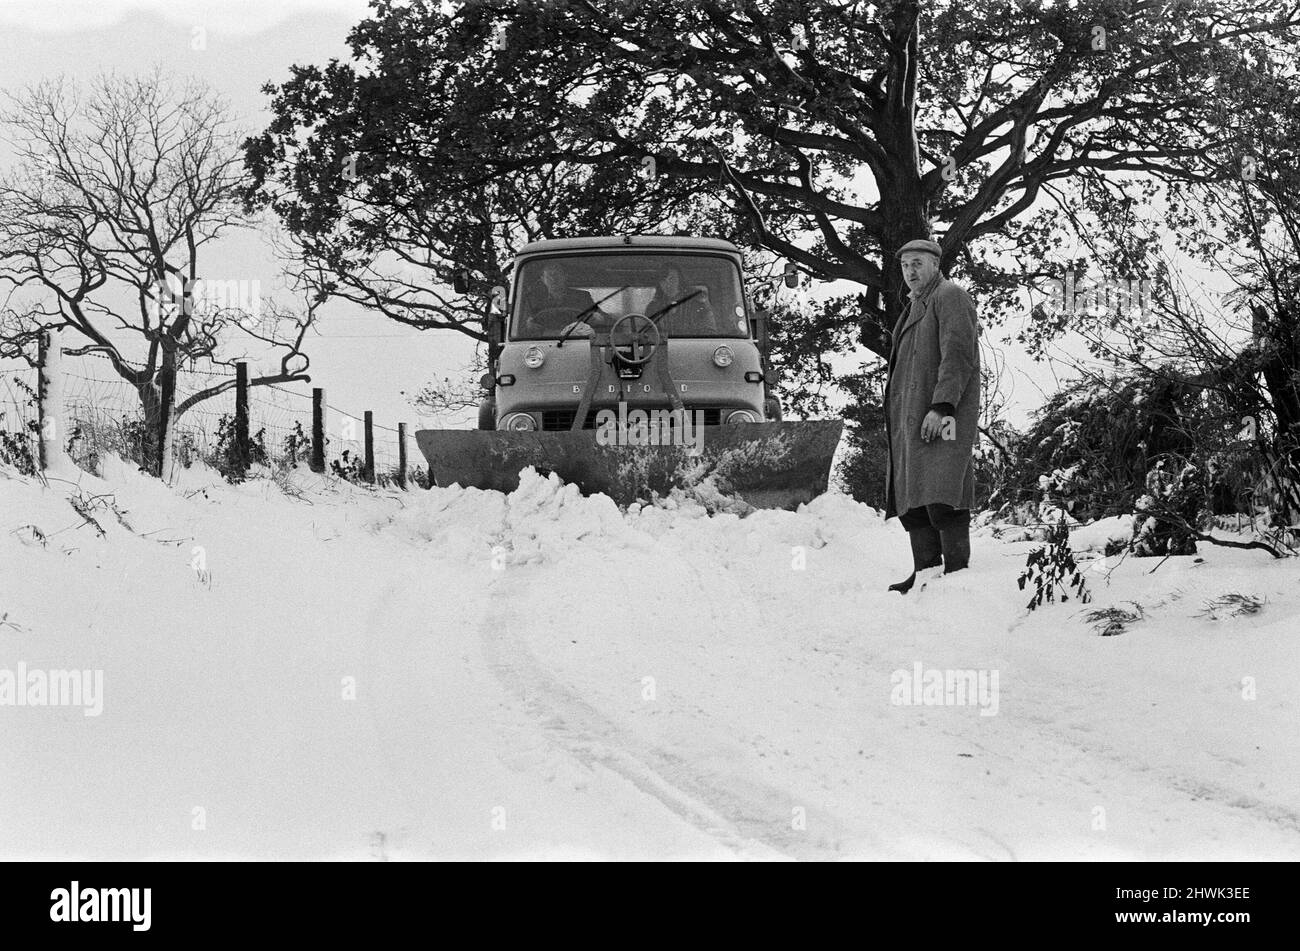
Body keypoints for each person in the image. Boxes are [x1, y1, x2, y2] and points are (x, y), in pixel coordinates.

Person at [884, 238, 980, 594]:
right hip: (911, 417)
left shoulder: (949, 295)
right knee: (914, 495)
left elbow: (958, 355)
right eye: (906, 265)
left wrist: (942, 407)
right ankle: (925, 571)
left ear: (935, 264)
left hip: (943, 414)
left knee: (943, 491)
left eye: (918, 263)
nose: (911, 271)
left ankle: (956, 575)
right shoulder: (914, 307)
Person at [523, 261, 597, 335]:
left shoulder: (582, 297)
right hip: (545, 342)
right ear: (543, 279)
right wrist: (529, 324)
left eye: (557, 275)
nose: (553, 279)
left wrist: (596, 317)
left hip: (580, 339)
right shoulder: (534, 301)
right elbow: (522, 327)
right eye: (549, 276)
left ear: (565, 276)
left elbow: (602, 319)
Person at [645, 264, 717, 332]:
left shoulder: (697, 303)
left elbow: (710, 330)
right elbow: (648, 334)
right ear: (659, 283)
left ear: (680, 280)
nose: (668, 284)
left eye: (672, 279)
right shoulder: (653, 308)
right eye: (663, 280)